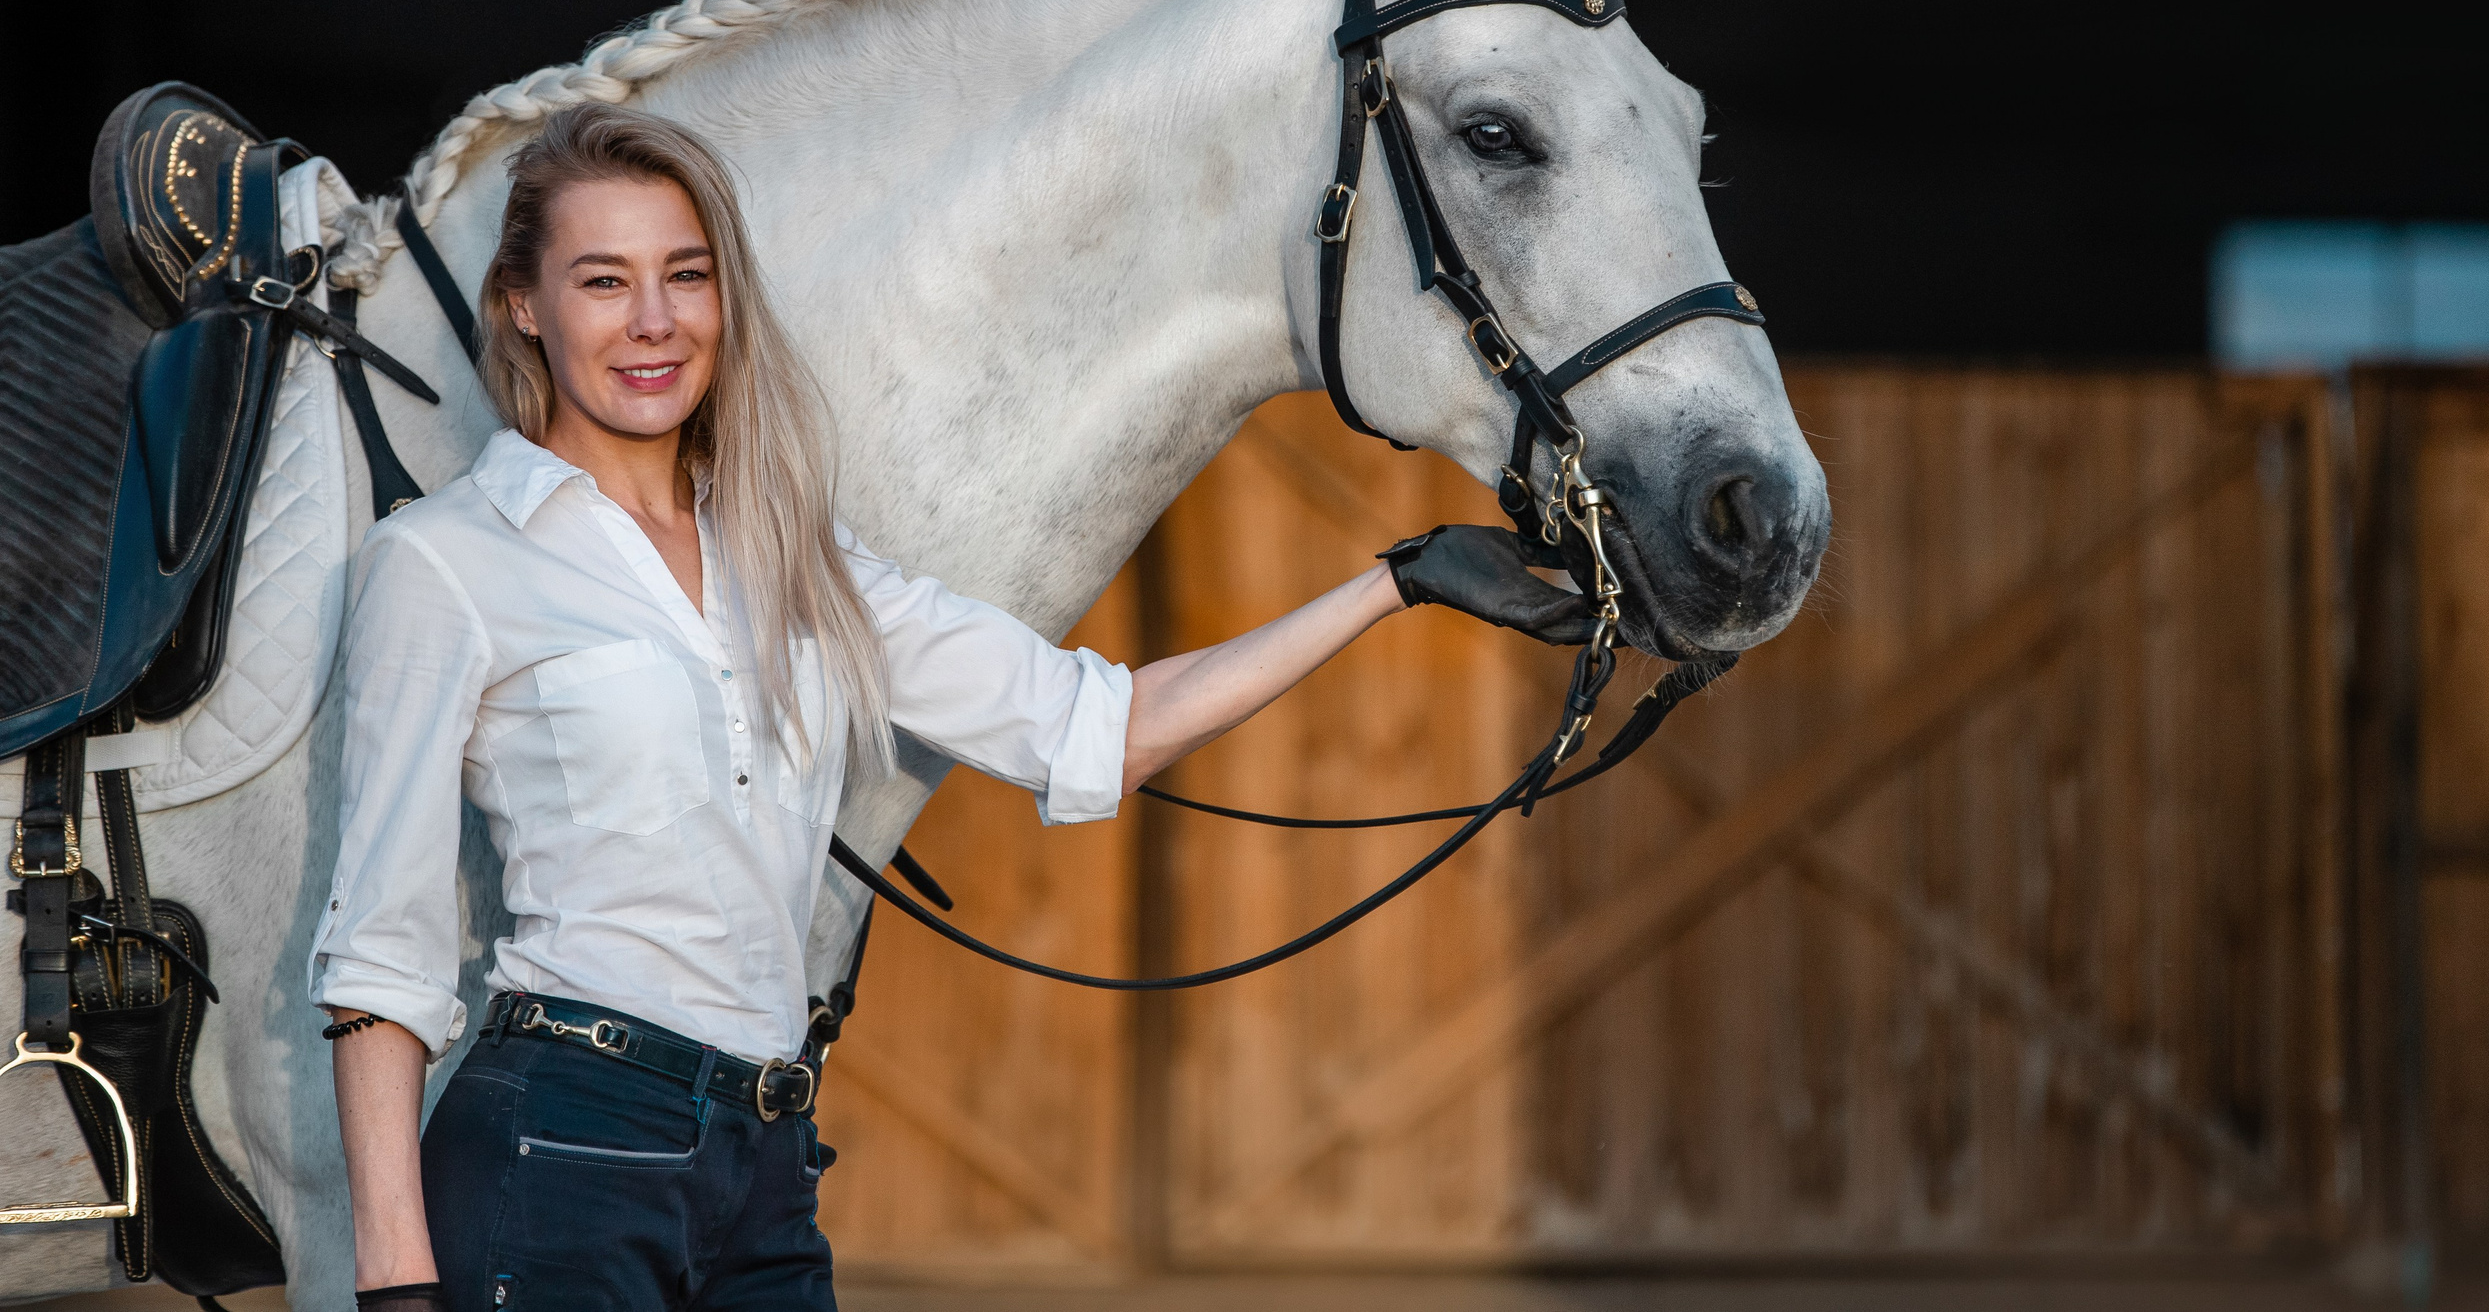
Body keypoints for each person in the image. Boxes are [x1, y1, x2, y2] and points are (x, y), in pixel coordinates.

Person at [311, 103, 1573, 1312]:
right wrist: (397, 1282)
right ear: (523, 305)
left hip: (764, 1160)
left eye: (687, 276)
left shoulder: (795, 558)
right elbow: (381, 950)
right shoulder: (447, 561)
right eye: (603, 281)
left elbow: (1097, 726)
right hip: (563, 1144)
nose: (654, 321)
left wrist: (1395, 584)